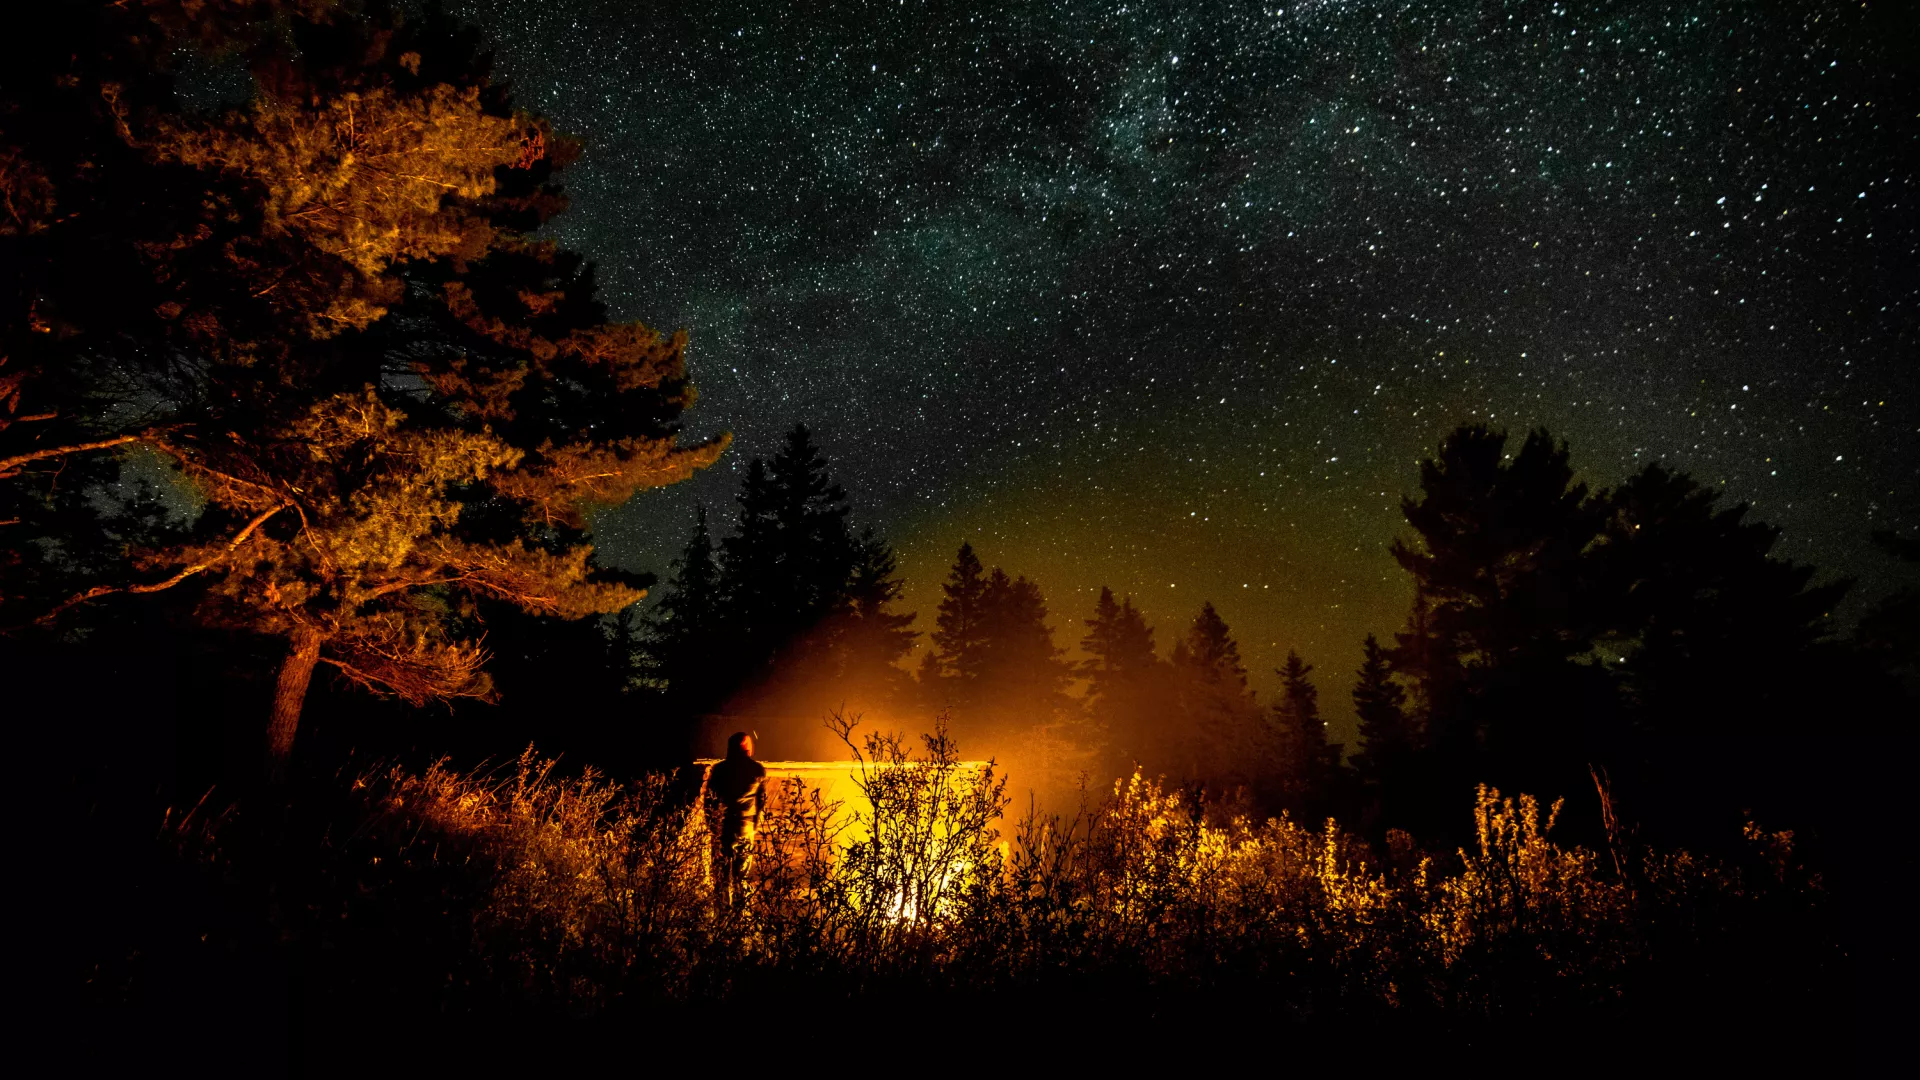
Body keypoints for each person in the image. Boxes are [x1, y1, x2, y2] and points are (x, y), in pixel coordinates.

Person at [707, 730, 767, 906]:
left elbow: (710, 800)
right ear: (747, 748)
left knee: (721, 876)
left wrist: (711, 825)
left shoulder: (720, 770)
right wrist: (755, 826)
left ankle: (722, 915)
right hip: (746, 828)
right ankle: (741, 916)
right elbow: (761, 803)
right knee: (742, 877)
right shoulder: (756, 770)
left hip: (724, 828)